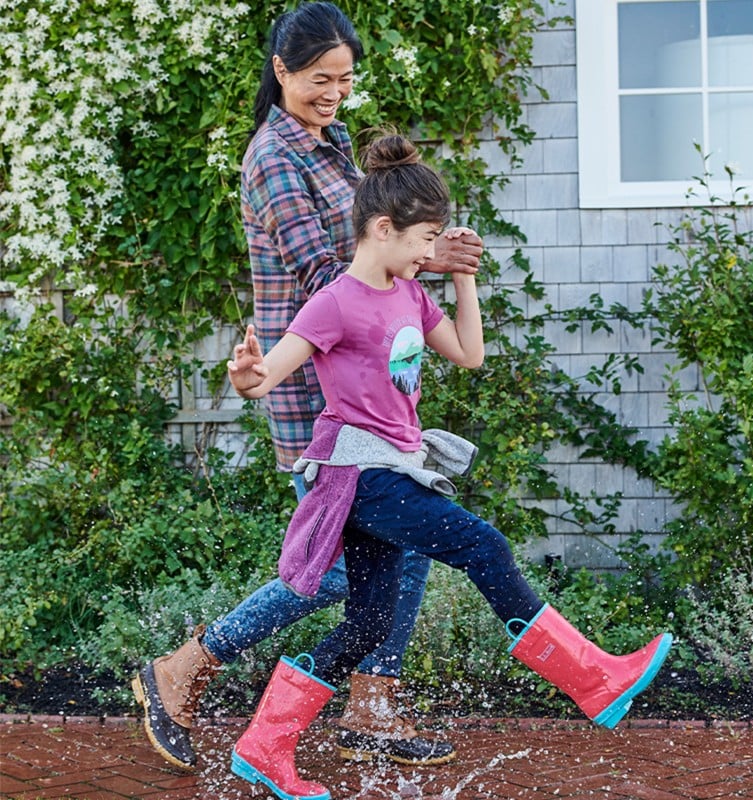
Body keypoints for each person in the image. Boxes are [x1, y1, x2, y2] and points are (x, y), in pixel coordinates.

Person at [225, 133, 674, 800]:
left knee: (370, 624)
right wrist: (247, 375)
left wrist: (462, 279)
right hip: (359, 474)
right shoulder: (336, 302)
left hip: (397, 466)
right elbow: (269, 377)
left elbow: (468, 353)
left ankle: (265, 746)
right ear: (384, 229)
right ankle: (593, 678)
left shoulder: (409, 294)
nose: (430, 252)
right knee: (481, 543)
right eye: (424, 240)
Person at [131, 1, 481, 772]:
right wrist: (418, 261)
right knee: (329, 569)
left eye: (346, 79)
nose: (334, 92)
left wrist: (428, 247)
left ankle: (374, 703)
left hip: (373, 393)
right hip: (315, 394)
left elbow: (377, 246)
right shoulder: (274, 159)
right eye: (321, 78)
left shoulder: (331, 147)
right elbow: (333, 277)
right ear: (282, 71)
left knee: (410, 542)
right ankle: (183, 666)